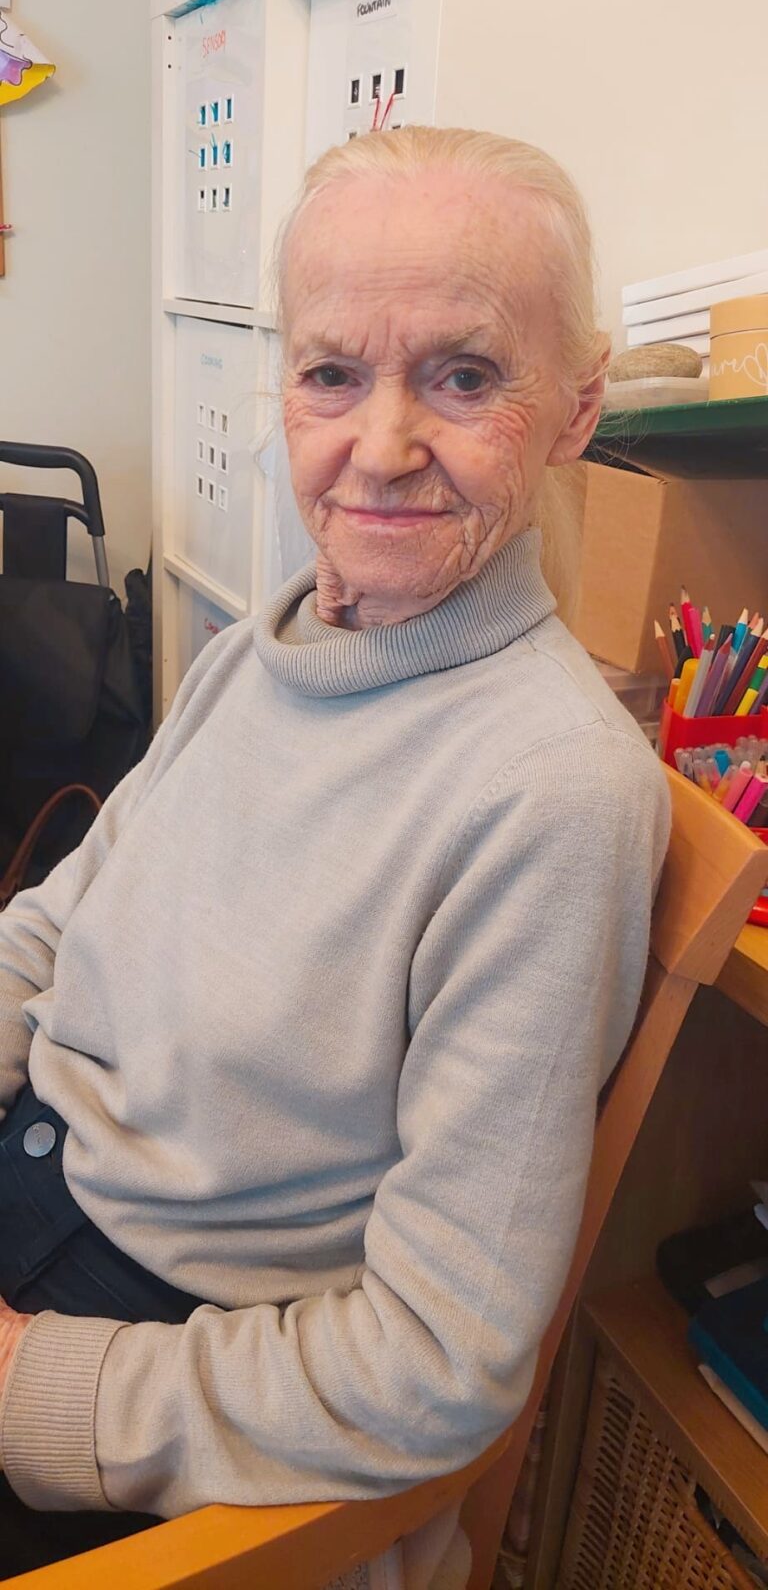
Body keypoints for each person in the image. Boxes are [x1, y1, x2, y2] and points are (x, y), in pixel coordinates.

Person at [0, 127, 670, 1581]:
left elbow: (436, 1361)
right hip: (31, 1167)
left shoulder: (552, 795)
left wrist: (29, 1385)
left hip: (144, 1356)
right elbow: (58, 925)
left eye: (466, 376)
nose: (381, 445)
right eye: (330, 374)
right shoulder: (267, 649)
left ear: (576, 409)